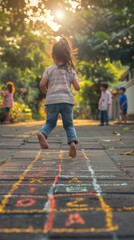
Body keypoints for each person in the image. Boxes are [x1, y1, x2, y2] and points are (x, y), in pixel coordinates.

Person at [37, 37, 80, 157]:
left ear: (53, 55)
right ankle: (72, 143)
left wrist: (49, 93)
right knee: (69, 125)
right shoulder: (71, 70)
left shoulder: (49, 70)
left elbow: (41, 85)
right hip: (67, 101)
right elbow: (77, 87)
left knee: (50, 122)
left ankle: (42, 134)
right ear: (67, 55)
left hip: (51, 101)